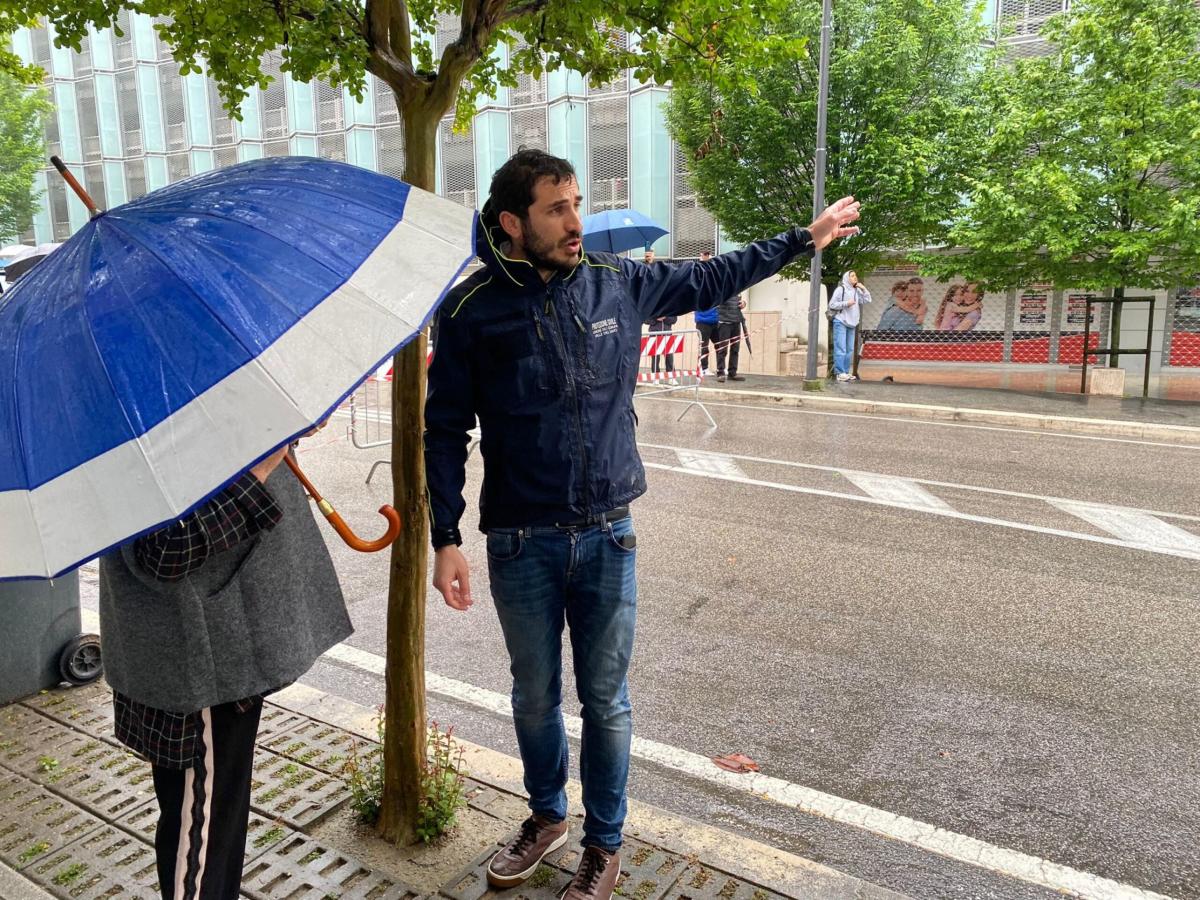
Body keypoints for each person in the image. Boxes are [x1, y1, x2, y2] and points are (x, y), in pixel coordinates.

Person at [424, 148, 859, 900]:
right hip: (519, 542)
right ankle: (546, 817)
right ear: (512, 222)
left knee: (606, 702)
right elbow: (444, 429)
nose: (574, 221)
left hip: (608, 535)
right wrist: (446, 537)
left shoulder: (616, 283)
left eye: (576, 203)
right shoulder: (468, 313)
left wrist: (805, 237)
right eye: (556, 208)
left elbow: (714, 274)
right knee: (533, 698)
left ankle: (605, 844)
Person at [99, 436, 351, 900]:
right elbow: (164, 548)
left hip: (210, 650)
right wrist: (260, 466)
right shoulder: (150, 419)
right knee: (202, 835)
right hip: (196, 660)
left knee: (213, 816)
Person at [828, 270, 872, 382]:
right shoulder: (840, 289)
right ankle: (839, 372)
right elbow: (832, 304)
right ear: (847, 278)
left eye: (855, 275)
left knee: (849, 349)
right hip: (841, 321)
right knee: (841, 348)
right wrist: (846, 303)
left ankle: (846, 372)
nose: (855, 277)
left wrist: (863, 288)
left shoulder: (856, 290)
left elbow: (867, 299)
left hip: (852, 323)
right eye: (852, 276)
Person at [694, 251, 718, 376]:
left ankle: (721, 368)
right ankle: (703, 368)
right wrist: (702, 262)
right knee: (704, 346)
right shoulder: (698, 283)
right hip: (703, 320)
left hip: (716, 320)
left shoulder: (716, 284)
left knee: (720, 345)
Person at [714, 290, 747, 382]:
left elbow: (739, 303)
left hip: (736, 322)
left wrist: (744, 303)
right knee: (723, 349)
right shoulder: (722, 289)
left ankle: (732, 373)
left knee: (735, 349)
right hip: (724, 323)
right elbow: (716, 302)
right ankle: (720, 373)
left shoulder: (738, 289)